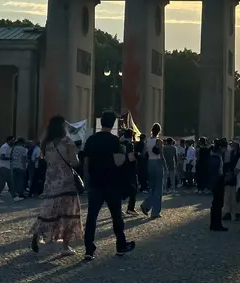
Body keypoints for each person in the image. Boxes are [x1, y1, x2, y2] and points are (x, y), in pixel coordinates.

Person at [83, 110, 136, 261]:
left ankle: (89, 249)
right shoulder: (115, 141)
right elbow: (119, 162)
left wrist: (87, 180)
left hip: (95, 182)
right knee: (116, 216)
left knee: (91, 217)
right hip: (112, 183)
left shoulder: (91, 140)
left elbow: (86, 162)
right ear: (113, 124)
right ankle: (120, 245)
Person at [30, 116, 83, 256]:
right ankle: (65, 247)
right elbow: (74, 162)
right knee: (68, 214)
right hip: (66, 182)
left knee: (49, 210)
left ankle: (38, 232)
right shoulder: (67, 142)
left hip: (51, 182)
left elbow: (46, 160)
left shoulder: (46, 143)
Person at [140, 123, 166, 219]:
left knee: (152, 187)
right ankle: (155, 211)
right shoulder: (159, 141)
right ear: (159, 131)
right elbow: (161, 155)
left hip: (150, 163)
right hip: (157, 163)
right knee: (158, 189)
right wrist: (165, 166)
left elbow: (143, 153)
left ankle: (146, 205)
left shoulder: (147, 141)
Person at [208, 138, 228, 231]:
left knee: (216, 204)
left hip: (215, 182)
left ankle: (214, 224)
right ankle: (217, 224)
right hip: (218, 182)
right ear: (220, 147)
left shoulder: (214, 156)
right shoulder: (217, 157)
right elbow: (217, 172)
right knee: (218, 204)